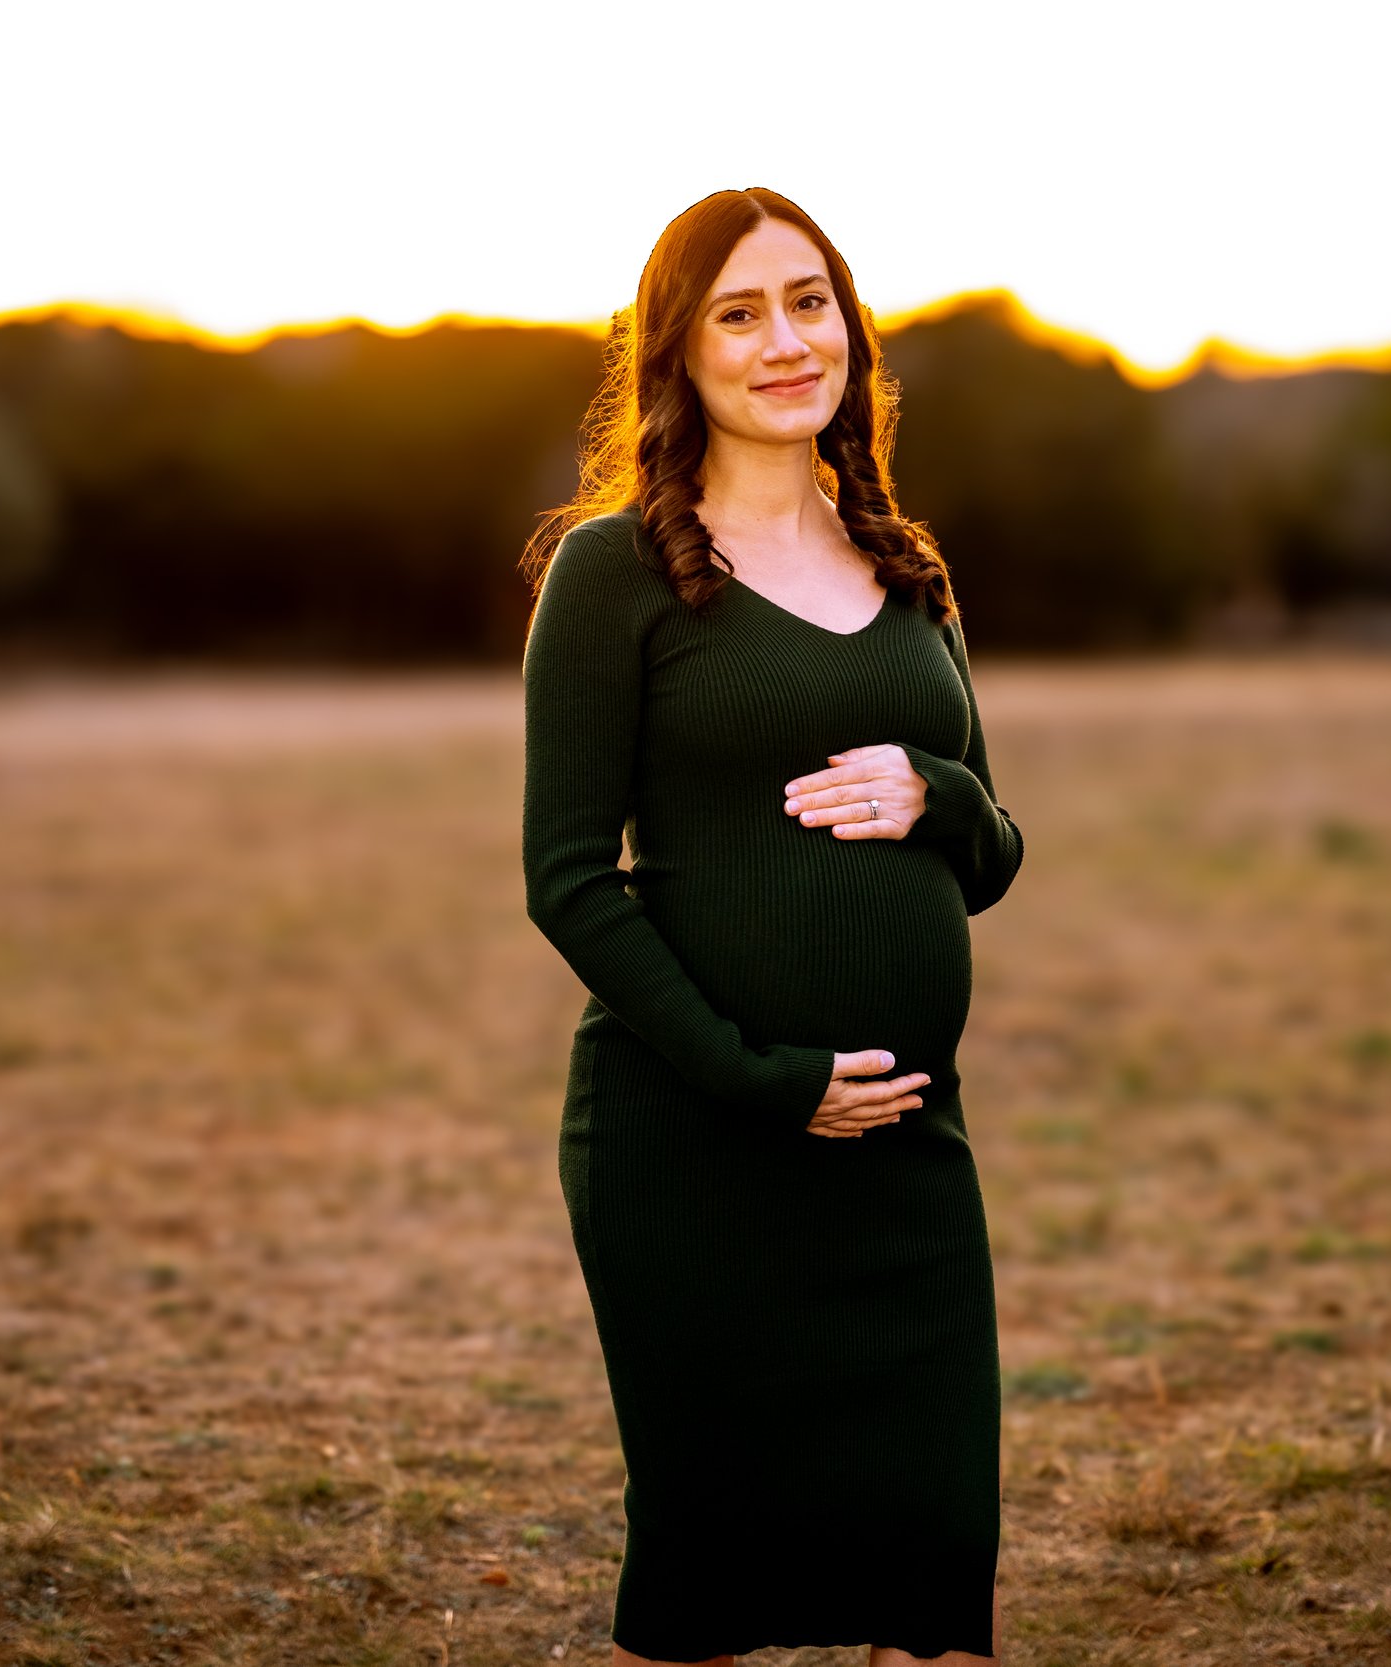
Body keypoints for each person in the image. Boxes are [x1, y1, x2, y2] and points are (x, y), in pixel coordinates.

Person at [518, 186, 1026, 1666]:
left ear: (851, 331)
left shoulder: (907, 564)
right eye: (739, 315)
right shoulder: (614, 572)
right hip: (697, 1146)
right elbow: (567, 877)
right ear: (678, 354)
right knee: (709, 1585)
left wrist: (935, 791)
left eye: (811, 303)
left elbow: (992, 852)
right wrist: (760, 1079)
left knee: (937, 1571)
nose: (786, 341)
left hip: (905, 1152)